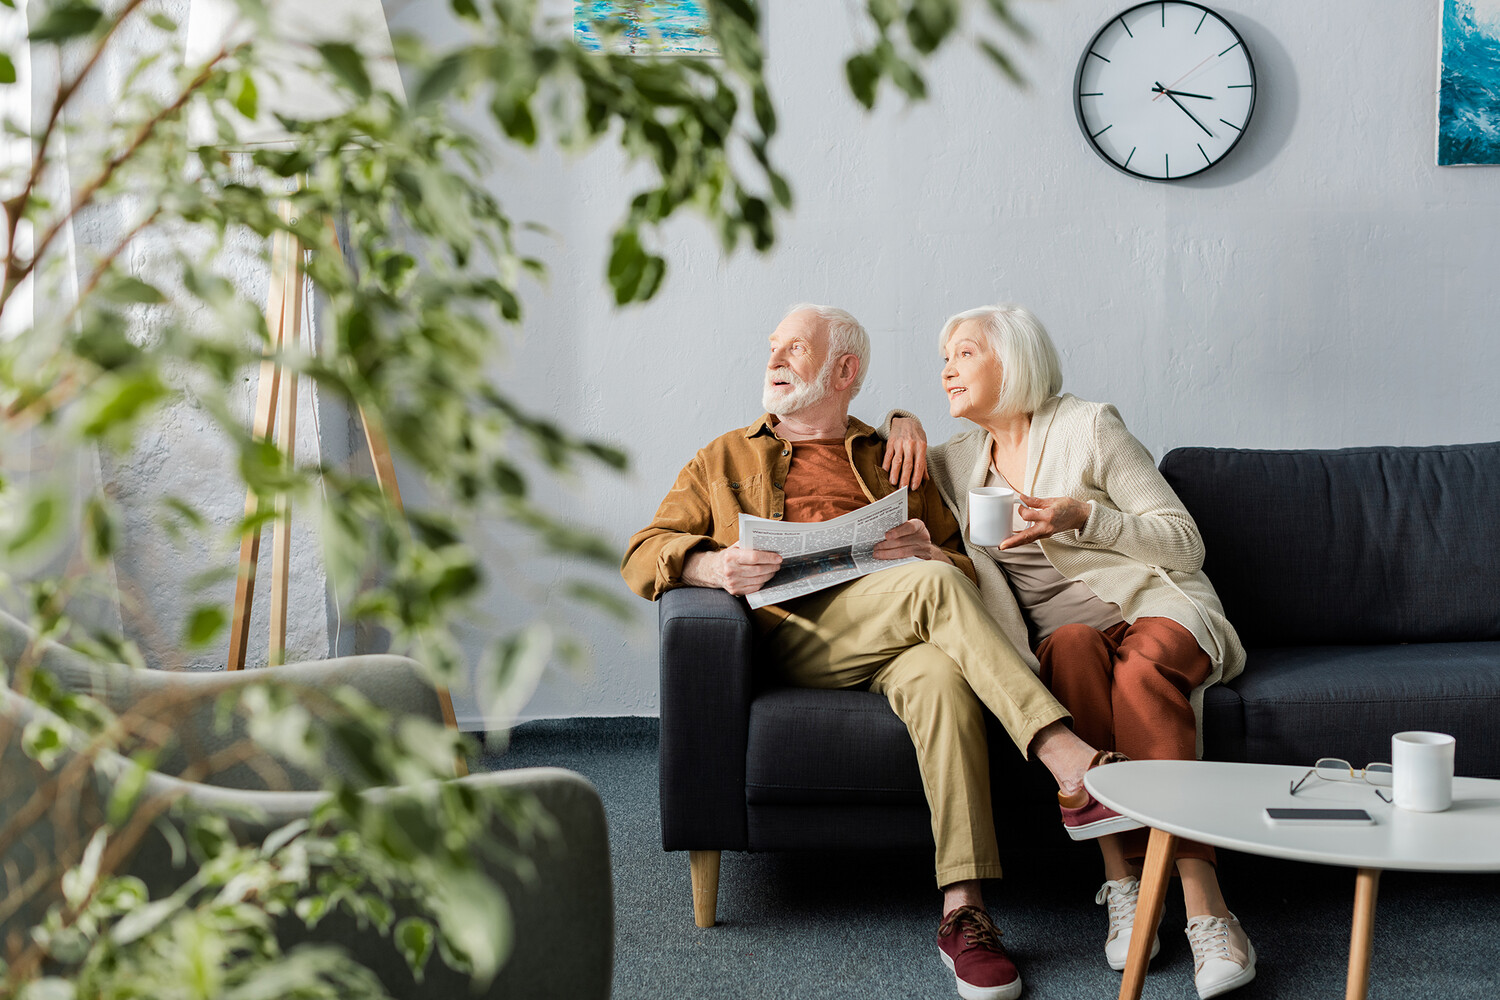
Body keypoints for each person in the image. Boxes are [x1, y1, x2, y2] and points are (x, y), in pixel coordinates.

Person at [622, 303, 1141, 1000]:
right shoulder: (726, 456)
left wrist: (930, 548)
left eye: (794, 349)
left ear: (844, 371)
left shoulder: (894, 456)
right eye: (771, 345)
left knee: (938, 676)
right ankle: (1065, 759)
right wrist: (714, 568)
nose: (773, 359)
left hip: (899, 636)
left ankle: (965, 913)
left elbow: (963, 571)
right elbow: (642, 553)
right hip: (799, 640)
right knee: (925, 588)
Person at [882, 303, 1254, 1000]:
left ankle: (1207, 906)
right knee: (1070, 653)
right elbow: (880, 446)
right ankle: (1120, 883)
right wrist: (901, 417)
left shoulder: (1089, 425)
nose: (947, 370)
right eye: (943, 358)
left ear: (1012, 359)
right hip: (1063, 635)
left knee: (1140, 677)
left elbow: (1184, 541)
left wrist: (1086, 516)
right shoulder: (955, 462)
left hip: (1153, 606)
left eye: (963, 353)